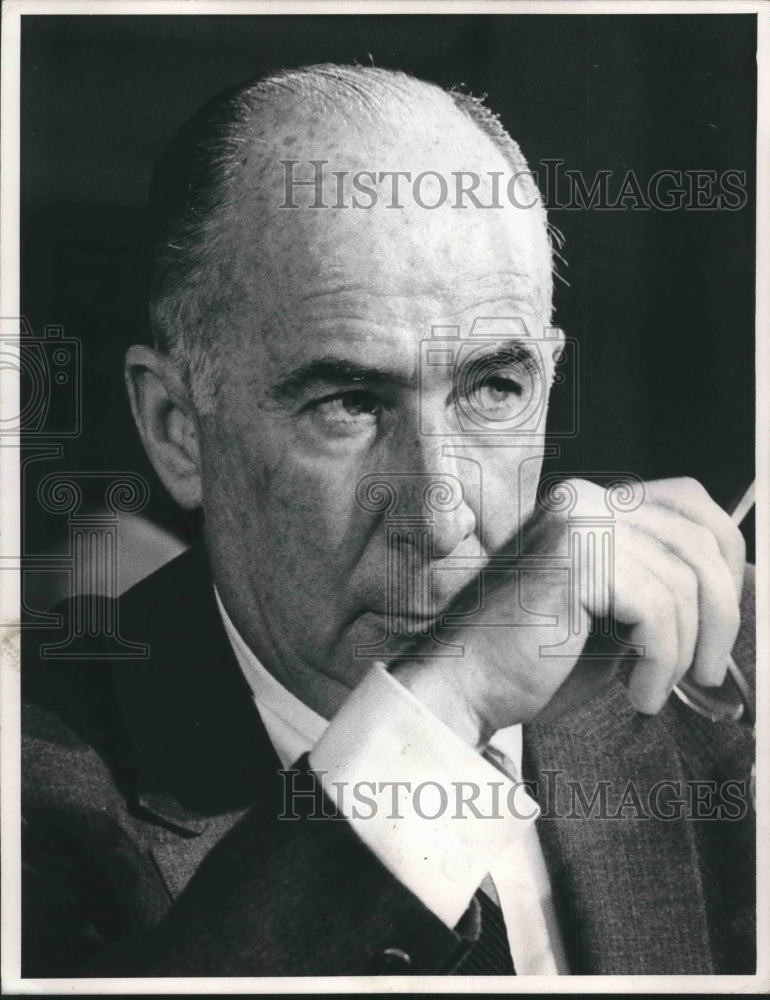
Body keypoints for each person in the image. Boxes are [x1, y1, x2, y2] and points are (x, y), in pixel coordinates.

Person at [22, 64, 755, 977]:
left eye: (495, 388)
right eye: (350, 404)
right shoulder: (30, 774)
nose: (440, 520)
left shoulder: (710, 702)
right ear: (178, 429)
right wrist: (446, 708)